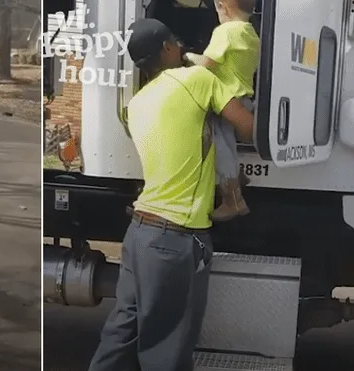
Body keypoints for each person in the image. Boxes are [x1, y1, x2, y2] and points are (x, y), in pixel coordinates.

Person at [87, 19, 255, 371]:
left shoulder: (137, 103)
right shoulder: (196, 80)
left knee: (123, 332)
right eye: (176, 42)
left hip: (139, 235)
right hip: (176, 238)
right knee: (167, 347)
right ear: (167, 48)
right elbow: (247, 126)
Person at [184, 0, 259, 221]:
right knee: (227, 143)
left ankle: (233, 199)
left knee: (217, 145)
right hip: (244, 100)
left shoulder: (225, 31)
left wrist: (187, 58)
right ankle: (237, 177)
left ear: (221, 5)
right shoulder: (251, 34)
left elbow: (205, 66)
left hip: (225, 102)